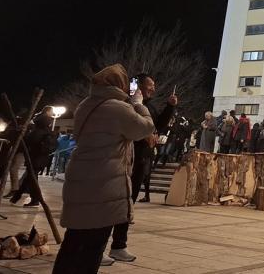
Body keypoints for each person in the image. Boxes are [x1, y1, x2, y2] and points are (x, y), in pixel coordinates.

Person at [52, 64, 155, 274]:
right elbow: (145, 127)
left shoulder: (85, 105)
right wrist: (139, 104)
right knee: (94, 246)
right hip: (104, 181)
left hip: (82, 175)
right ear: (119, 84)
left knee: (73, 242)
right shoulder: (118, 108)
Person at [106, 73, 176, 264]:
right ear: (138, 86)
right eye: (150, 85)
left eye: (154, 85)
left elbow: (155, 126)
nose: (153, 88)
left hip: (142, 159)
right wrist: (144, 133)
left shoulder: (147, 105)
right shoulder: (126, 104)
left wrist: (170, 107)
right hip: (127, 158)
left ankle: (119, 245)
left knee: (128, 203)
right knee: (115, 203)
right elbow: (134, 128)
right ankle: (100, 247)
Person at [10, 107, 55, 207]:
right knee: (29, 178)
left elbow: (31, 141)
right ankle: (17, 197)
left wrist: (24, 136)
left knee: (32, 179)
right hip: (37, 158)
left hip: (37, 158)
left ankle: (33, 200)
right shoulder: (44, 130)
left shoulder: (40, 131)